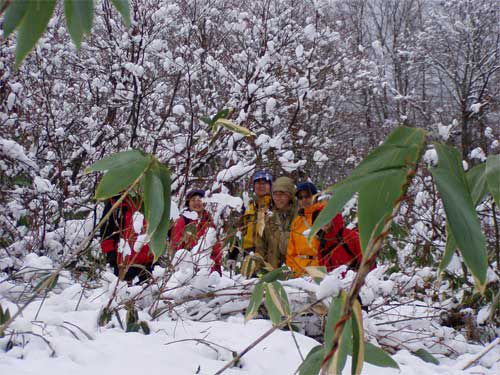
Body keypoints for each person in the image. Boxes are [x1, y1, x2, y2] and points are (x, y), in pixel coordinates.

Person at [286, 182, 339, 276]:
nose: (304, 200)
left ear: (315, 196)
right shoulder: (297, 221)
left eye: (307, 196)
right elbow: (291, 253)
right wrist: (294, 272)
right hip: (299, 272)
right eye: (300, 197)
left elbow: (332, 245)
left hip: (320, 270)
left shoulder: (325, 214)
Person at [99, 195, 154, 282]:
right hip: (123, 263)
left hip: (148, 264)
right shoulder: (117, 202)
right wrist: (110, 254)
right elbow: (105, 230)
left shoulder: (151, 199)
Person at [227, 170, 273, 271]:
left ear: (270, 186)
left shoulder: (275, 205)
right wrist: (232, 255)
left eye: (264, 183)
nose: (261, 186)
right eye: (258, 183)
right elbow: (239, 232)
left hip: (268, 254)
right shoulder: (248, 206)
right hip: (248, 254)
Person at [170, 189, 222, 275]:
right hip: (187, 269)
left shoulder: (209, 222)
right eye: (193, 200)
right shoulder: (182, 221)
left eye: (199, 200)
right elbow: (176, 245)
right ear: (188, 203)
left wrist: (217, 268)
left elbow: (215, 248)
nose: (196, 203)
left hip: (208, 269)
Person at [253, 176, 297, 271]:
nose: (277, 198)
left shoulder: (299, 217)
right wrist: (258, 270)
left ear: (290, 196)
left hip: (295, 273)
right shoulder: (267, 218)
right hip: (272, 272)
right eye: (275, 194)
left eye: (282, 194)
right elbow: (260, 247)